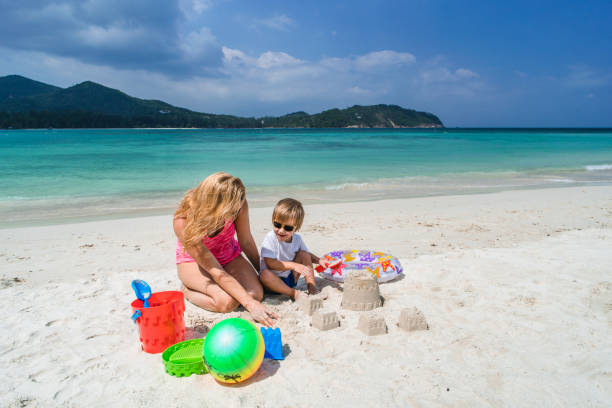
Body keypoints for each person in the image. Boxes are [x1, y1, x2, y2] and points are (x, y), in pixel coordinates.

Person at [173, 172, 277, 327]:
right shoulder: (183, 221)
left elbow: (246, 241)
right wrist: (250, 305)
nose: (238, 209)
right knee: (226, 303)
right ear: (215, 206)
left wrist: (264, 272)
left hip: (228, 253)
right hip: (194, 262)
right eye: (232, 208)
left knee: (255, 294)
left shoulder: (238, 203)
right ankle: (187, 290)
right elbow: (216, 271)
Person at [259, 198, 331, 300]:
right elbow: (271, 263)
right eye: (277, 225)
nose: (281, 230)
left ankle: (312, 288)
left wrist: (319, 260)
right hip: (272, 283)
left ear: (296, 228)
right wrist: (294, 265)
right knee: (264, 274)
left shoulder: (297, 239)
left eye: (287, 228)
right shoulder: (270, 238)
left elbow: (307, 255)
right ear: (273, 220)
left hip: (290, 279)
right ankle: (294, 294)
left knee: (304, 254)